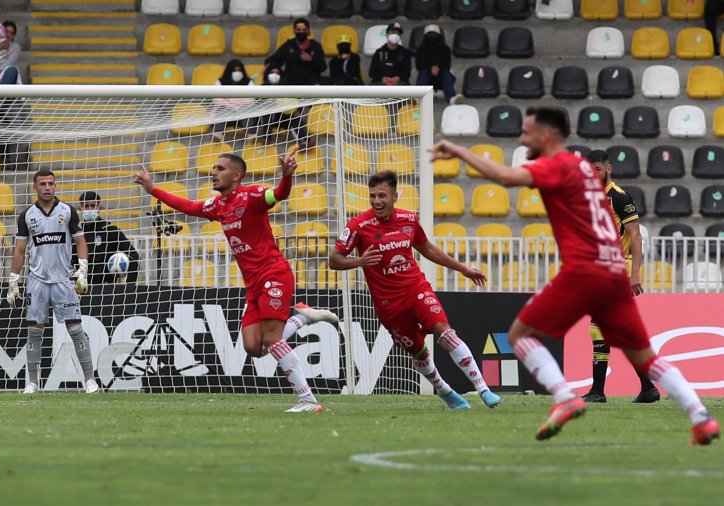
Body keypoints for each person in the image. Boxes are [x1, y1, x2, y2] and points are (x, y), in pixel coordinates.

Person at [430, 106, 719, 445]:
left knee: (521, 335)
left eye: (526, 132)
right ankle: (700, 417)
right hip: (613, 270)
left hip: (586, 268)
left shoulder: (559, 165)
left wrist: (458, 149)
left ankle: (565, 399)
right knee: (644, 356)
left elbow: (506, 178)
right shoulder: (585, 169)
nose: (522, 139)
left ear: (546, 135)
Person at [133, 150, 340, 412]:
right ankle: (302, 318)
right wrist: (152, 189)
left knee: (273, 340)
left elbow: (279, 195)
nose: (213, 172)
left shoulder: (252, 196)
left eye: (220, 168)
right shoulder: (218, 206)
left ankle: (308, 400)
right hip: (253, 284)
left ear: (236, 174)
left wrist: (286, 176)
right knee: (254, 347)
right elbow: (187, 206)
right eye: (213, 168)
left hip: (273, 274)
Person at [328, 171, 502, 410]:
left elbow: (427, 248)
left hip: (415, 288)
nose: (376, 201)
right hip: (389, 305)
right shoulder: (359, 226)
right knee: (419, 353)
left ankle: (483, 388)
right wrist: (359, 262)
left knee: (445, 332)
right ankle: (444, 390)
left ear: (395, 196)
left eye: (382, 195)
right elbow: (334, 260)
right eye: (372, 196)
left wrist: (462, 268)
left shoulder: (409, 220)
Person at [7, 169, 100, 394]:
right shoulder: (26, 215)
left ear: (55, 186)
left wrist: (83, 269)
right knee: (34, 332)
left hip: (63, 280)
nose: (47, 188)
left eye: (51, 183)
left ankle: (90, 380)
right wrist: (13, 281)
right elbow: (19, 250)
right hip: (37, 281)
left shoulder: (67, 211)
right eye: (42, 184)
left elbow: (80, 241)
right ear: (35, 187)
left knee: (76, 329)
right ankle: (32, 382)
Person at [582, 149, 660, 405]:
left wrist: (635, 272)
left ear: (608, 169)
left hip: (619, 269)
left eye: (598, 169)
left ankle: (598, 391)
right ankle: (648, 388)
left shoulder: (619, 197)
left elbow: (635, 236)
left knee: (598, 328)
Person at [76, 191, 141, 285]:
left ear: (99, 208)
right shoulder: (76, 232)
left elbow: (134, 256)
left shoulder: (110, 230)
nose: (89, 209)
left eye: (93, 206)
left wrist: (129, 287)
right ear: (80, 208)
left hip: (105, 288)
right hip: (81, 287)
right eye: (86, 206)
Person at [257, 63, 313, 150]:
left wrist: (295, 110)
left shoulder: (286, 88)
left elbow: (293, 102)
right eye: (272, 72)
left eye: (277, 73)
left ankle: (304, 141)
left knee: (294, 117)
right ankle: (266, 138)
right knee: (267, 112)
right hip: (267, 119)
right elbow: (256, 104)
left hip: (284, 116)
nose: (275, 75)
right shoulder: (261, 88)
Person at [265, 18, 326, 86]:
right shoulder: (288, 45)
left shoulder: (316, 46)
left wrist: (311, 59)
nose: (301, 32)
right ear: (294, 31)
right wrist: (273, 67)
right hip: (290, 84)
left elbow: (323, 67)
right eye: (298, 30)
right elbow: (275, 59)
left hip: (311, 84)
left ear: (308, 31)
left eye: (304, 30)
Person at [211, 59, 257, 143]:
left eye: (239, 70)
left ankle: (251, 136)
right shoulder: (220, 82)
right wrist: (232, 105)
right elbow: (217, 99)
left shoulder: (249, 82)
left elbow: (251, 100)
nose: (237, 72)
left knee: (246, 111)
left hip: (242, 112)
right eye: (234, 70)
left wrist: (236, 104)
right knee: (221, 108)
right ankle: (218, 136)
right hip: (227, 114)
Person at [414, 24, 461, 104]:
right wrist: (430, 68)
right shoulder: (420, 49)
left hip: (441, 77)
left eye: (434, 34)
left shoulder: (446, 49)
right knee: (423, 73)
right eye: (429, 34)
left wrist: (437, 67)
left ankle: (451, 98)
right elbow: (419, 65)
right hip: (427, 77)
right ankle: (421, 97)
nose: (432, 36)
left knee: (446, 74)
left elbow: (447, 65)